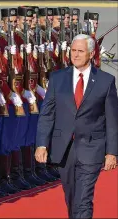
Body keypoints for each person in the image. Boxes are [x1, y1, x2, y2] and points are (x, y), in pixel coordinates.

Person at [35, 34, 118, 218]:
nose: (76, 55)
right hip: (64, 149)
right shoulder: (58, 78)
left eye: (80, 51)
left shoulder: (106, 81)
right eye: (73, 50)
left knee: (83, 200)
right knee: (71, 198)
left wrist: (112, 152)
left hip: (92, 147)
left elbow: (113, 120)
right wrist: (42, 144)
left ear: (91, 53)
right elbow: (47, 113)